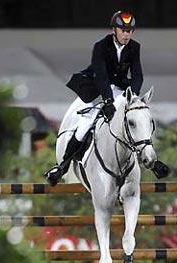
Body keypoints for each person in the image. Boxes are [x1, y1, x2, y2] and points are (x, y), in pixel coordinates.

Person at [44, 11, 169, 186]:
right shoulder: (101, 47)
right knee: (85, 124)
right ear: (114, 30)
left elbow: (138, 75)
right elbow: (101, 76)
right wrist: (108, 101)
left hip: (121, 90)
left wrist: (132, 96)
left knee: (138, 120)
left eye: (130, 31)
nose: (127, 34)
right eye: (123, 30)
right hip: (97, 89)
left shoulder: (135, 47)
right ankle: (61, 167)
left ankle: (151, 161)